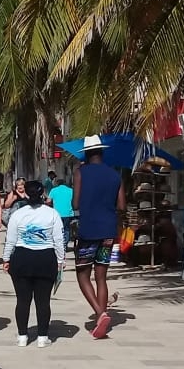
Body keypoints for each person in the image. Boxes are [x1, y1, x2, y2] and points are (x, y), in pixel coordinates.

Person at [73, 135, 124, 338]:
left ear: (86, 153)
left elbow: (75, 204)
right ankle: (100, 324)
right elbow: (122, 206)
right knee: (101, 276)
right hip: (109, 231)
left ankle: (100, 313)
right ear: (102, 152)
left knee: (82, 274)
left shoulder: (80, 173)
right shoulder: (115, 175)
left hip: (88, 230)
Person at [3, 180, 65, 348]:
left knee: (22, 300)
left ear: (27, 193)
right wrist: (61, 260)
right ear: (43, 193)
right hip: (46, 259)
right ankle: (42, 337)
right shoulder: (52, 214)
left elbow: (11, 240)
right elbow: (59, 240)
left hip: (22, 258)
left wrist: (6, 259)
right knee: (43, 301)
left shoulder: (18, 214)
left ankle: (22, 336)